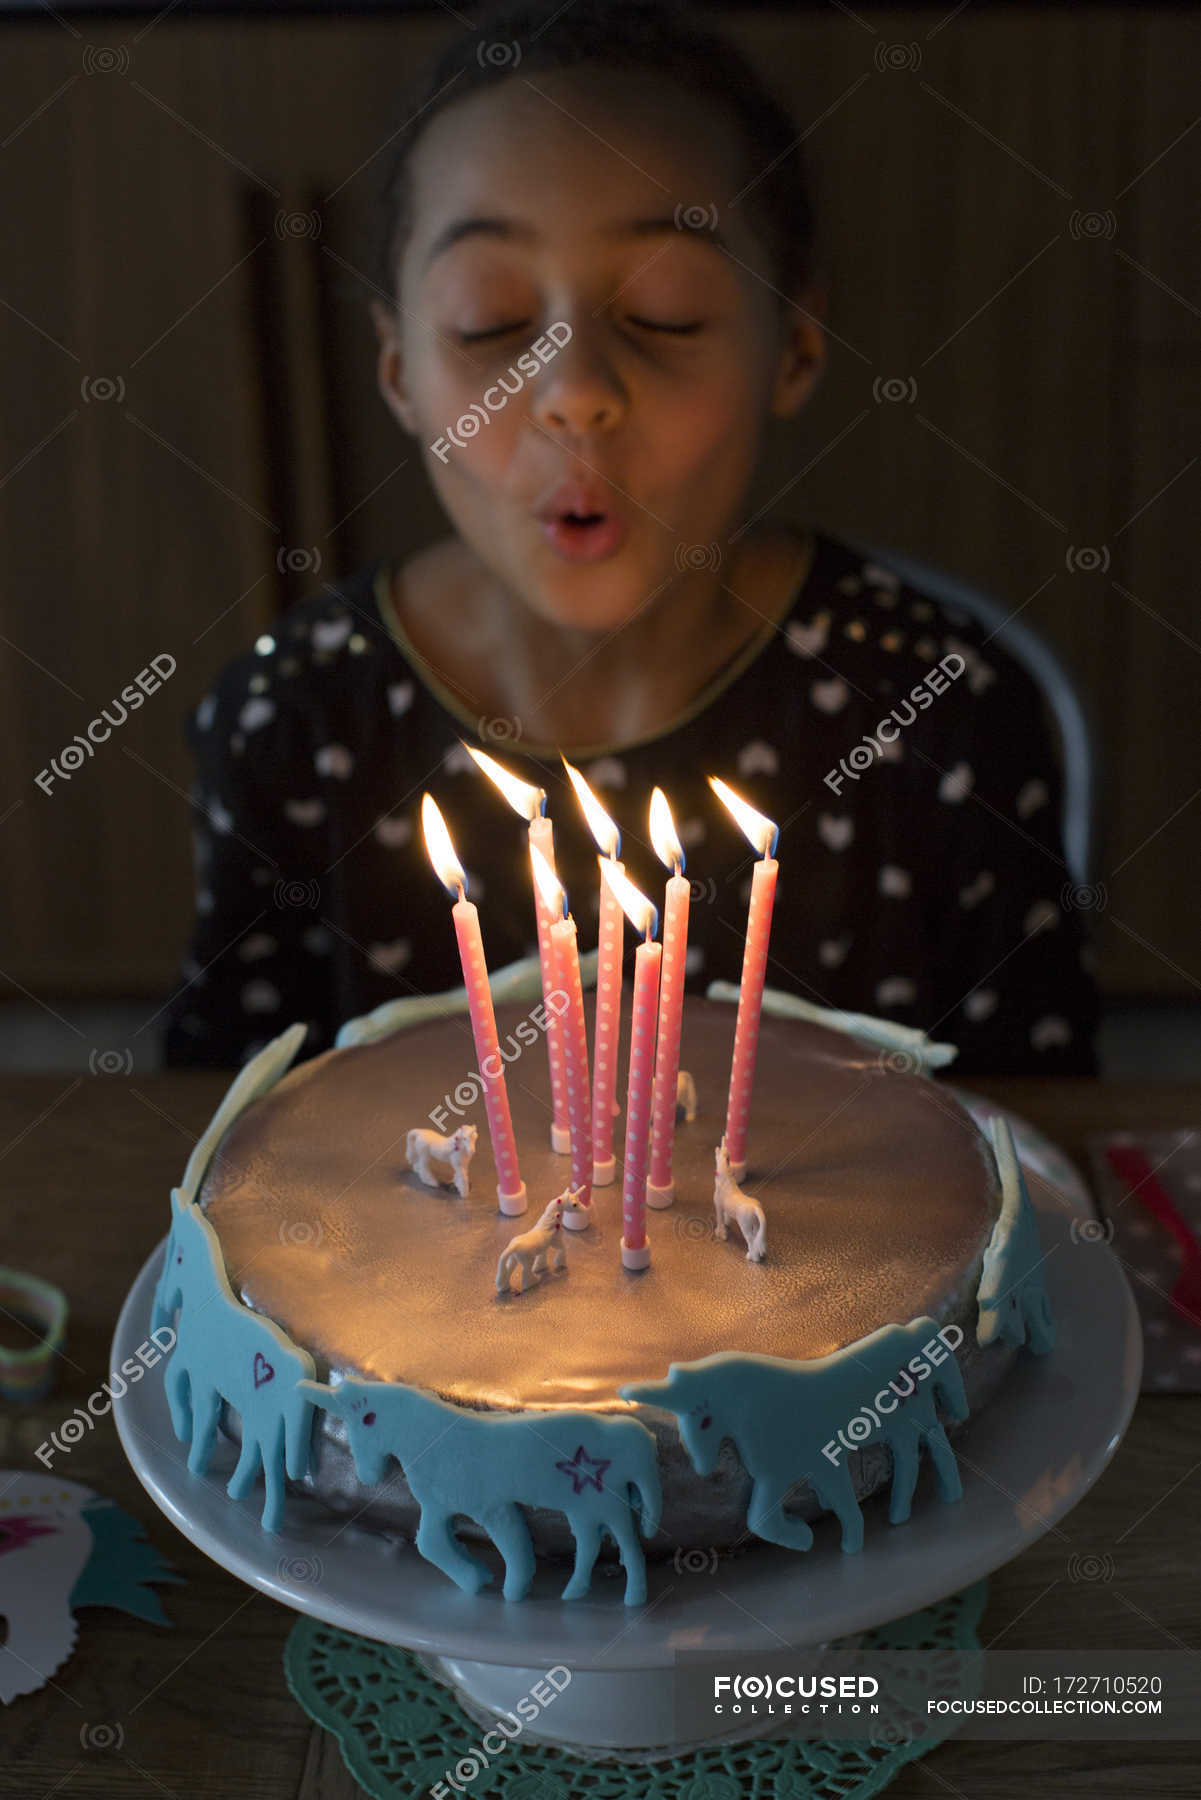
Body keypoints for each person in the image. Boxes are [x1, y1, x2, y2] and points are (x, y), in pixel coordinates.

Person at [161, 0, 1098, 1077]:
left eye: (665, 313)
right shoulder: (290, 721)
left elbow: (1037, 1143)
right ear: (399, 373)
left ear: (791, 348)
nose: (574, 393)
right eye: (488, 323)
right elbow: (222, 1129)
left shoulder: (940, 717)